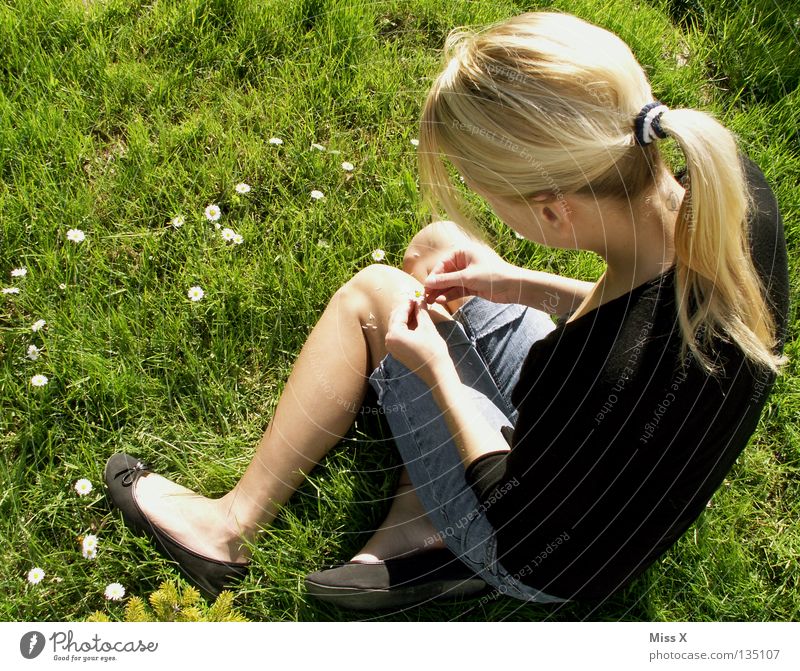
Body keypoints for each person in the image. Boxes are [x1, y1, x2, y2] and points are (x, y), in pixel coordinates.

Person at [104, 12, 788, 610]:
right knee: (441, 250)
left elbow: (509, 497)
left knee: (374, 295)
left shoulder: (581, 377)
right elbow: (633, 326)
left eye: (487, 194)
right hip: (613, 490)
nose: (483, 205)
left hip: (540, 553)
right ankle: (414, 518)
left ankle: (228, 528)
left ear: (551, 209)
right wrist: (514, 281)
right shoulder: (734, 197)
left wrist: (438, 371)